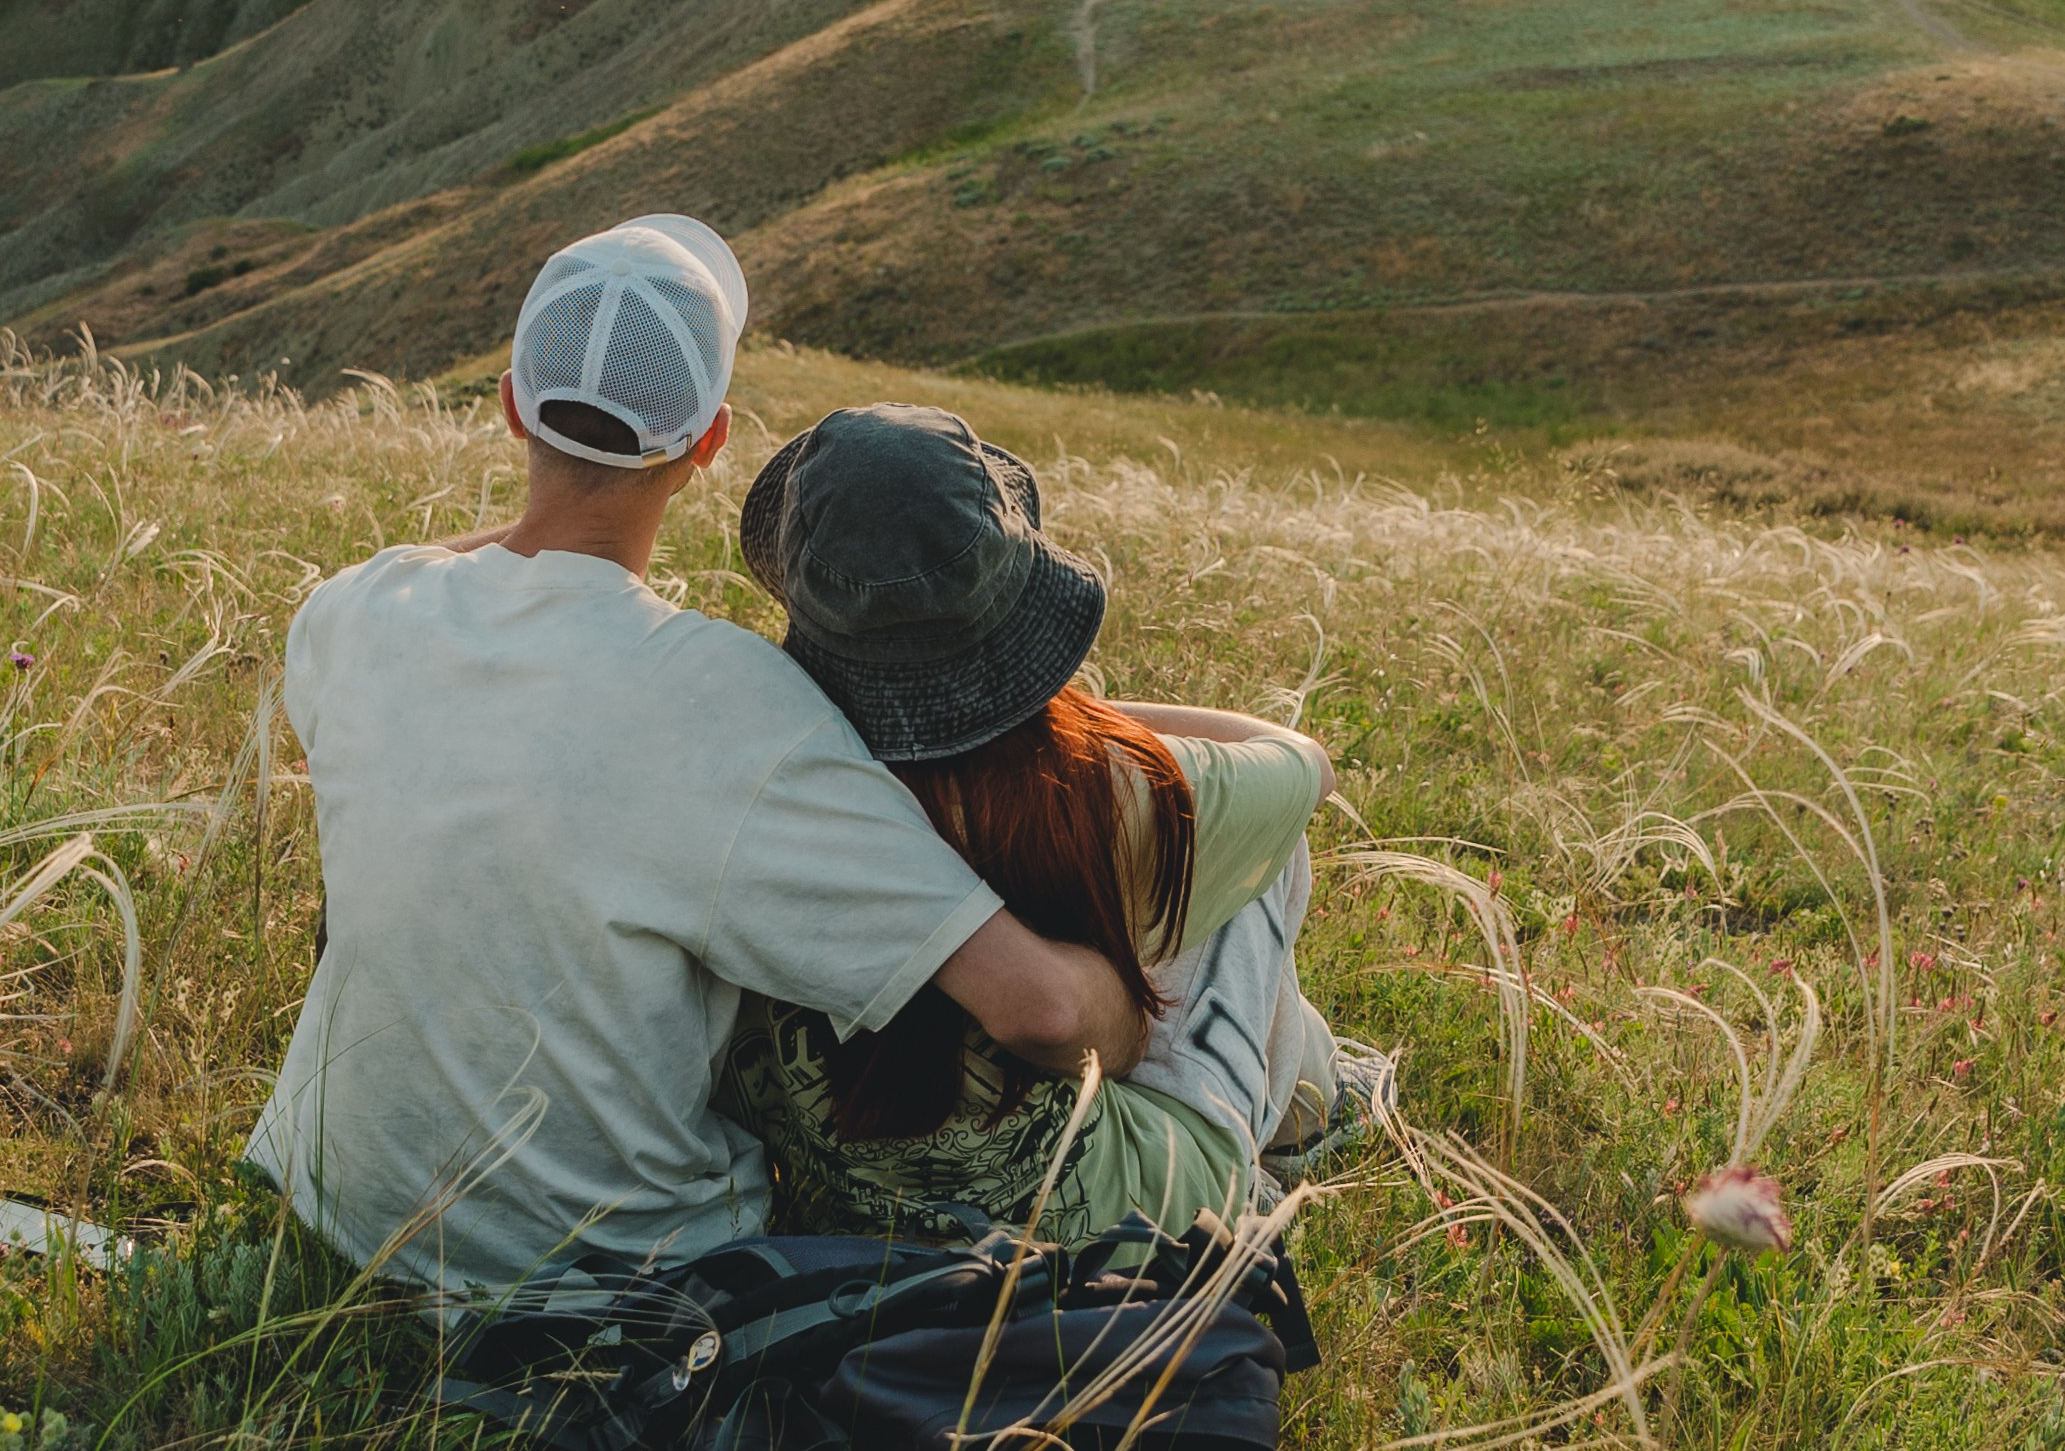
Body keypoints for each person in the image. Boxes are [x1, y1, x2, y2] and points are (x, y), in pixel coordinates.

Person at [244, 218, 1160, 1292]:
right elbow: (1039, 1013)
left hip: (327, 1212)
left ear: (507, 407)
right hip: (599, 1289)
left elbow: (440, 569)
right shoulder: (728, 700)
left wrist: (546, 526)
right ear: (711, 442)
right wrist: (1132, 1018)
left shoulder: (351, 612)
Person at [722, 403, 1380, 1246]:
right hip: (1123, 1215)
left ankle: (1322, 1088)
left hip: (840, 1207)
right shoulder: (1108, 786)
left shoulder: (768, 785)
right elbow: (1303, 763)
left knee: (1212, 841)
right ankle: (1303, 1116)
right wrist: (1056, 709)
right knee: (1254, 850)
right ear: (1017, 591)